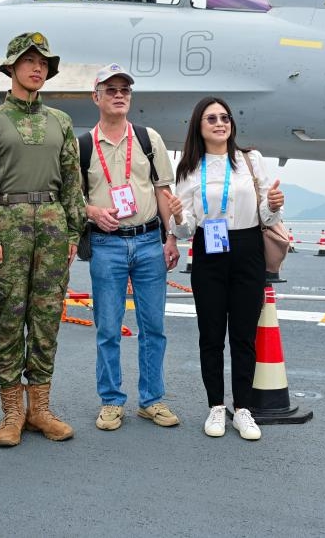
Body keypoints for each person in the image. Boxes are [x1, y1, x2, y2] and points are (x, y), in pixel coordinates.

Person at [0, 32, 85, 447]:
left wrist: (73, 230)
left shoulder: (61, 122)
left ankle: (40, 409)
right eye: (29, 61)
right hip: (8, 223)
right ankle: (12, 413)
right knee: (9, 318)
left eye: (43, 63)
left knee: (48, 318)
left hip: (53, 224)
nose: (37, 68)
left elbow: (73, 181)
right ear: (12, 67)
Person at [171, 97, 284, 441]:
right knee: (211, 333)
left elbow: (267, 215)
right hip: (208, 248)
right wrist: (177, 216)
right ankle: (216, 407)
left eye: (225, 117)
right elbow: (185, 229)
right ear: (199, 126)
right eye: (211, 118)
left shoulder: (251, 160)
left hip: (248, 247)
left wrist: (274, 205)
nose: (220, 123)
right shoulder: (190, 169)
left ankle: (244, 409)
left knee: (244, 335)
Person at [82, 63, 180, 431]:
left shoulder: (147, 138)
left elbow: (162, 190)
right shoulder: (83, 144)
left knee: (153, 327)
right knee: (108, 327)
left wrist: (171, 237)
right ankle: (111, 400)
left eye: (125, 89)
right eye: (110, 90)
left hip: (149, 242)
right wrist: (92, 211)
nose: (119, 95)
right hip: (107, 244)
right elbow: (72, 198)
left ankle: (152, 400)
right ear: (96, 97)